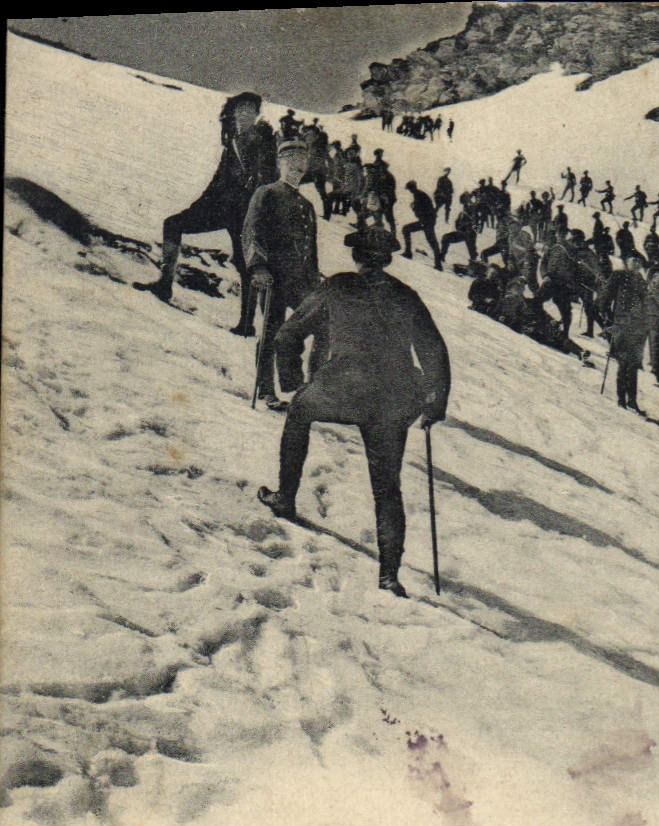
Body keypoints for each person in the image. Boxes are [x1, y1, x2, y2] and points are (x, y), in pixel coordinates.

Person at [256, 228, 450, 597]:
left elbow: (286, 335)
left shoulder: (337, 286)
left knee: (299, 411)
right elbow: (435, 351)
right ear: (387, 259)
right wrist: (434, 405)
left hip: (341, 389)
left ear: (356, 256)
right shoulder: (406, 296)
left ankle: (285, 498)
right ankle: (389, 575)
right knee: (387, 486)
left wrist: (293, 381)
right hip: (393, 398)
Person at [136, 91, 278, 334]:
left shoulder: (262, 142)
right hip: (220, 207)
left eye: (250, 109)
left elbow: (266, 179)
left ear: (257, 115)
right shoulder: (232, 141)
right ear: (234, 112)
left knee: (246, 264)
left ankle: (246, 324)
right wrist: (199, 206)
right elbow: (218, 179)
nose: (245, 113)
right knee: (173, 224)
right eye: (241, 108)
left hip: (244, 213)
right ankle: (164, 284)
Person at [242, 138, 322, 409]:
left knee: (322, 326)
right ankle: (267, 391)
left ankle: (307, 389)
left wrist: (314, 281)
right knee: (271, 332)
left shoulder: (307, 206)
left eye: (301, 161)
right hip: (273, 278)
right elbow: (251, 231)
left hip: (301, 282)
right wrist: (258, 267)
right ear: (279, 164)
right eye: (290, 161)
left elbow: (310, 250)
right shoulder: (267, 193)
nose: (296, 167)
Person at [600, 253, 651, 411]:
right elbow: (606, 295)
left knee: (634, 363)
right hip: (621, 323)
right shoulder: (619, 275)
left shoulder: (641, 280)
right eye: (633, 260)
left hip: (638, 326)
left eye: (639, 262)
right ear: (626, 261)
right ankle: (621, 398)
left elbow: (646, 303)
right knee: (623, 362)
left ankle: (632, 400)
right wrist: (606, 314)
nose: (636, 264)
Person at [400, 180, 443, 270]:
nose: (410, 191)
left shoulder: (418, 195)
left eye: (410, 189)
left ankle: (438, 264)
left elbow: (422, 210)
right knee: (407, 229)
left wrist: (414, 208)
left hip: (426, 221)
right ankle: (408, 252)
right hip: (427, 221)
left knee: (432, 242)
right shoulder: (419, 194)